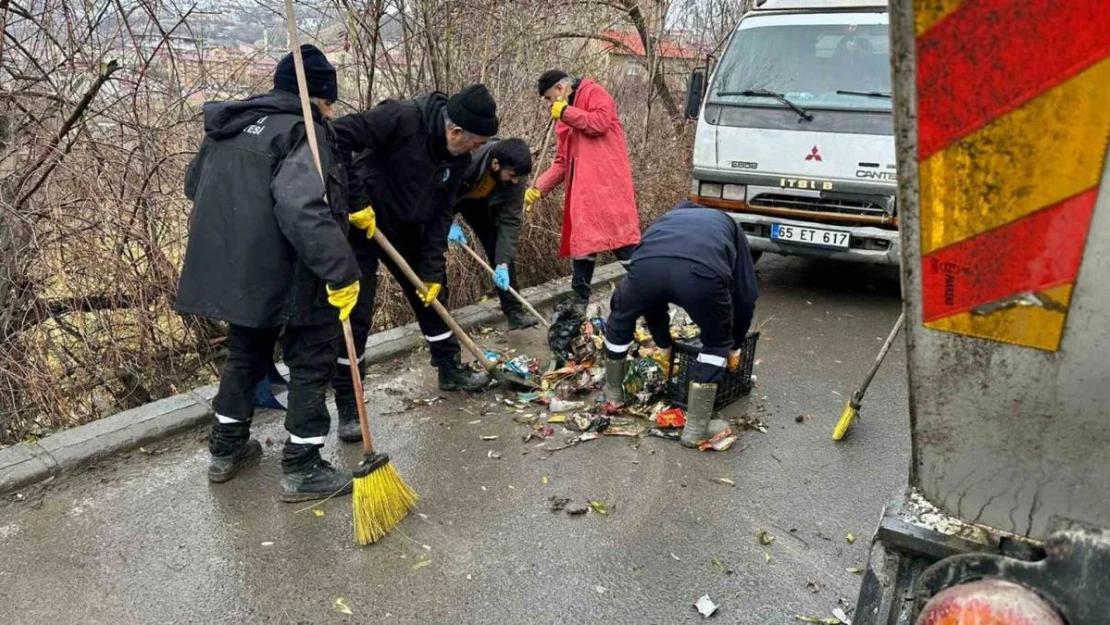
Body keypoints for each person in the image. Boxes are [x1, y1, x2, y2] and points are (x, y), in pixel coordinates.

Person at [175, 45, 362, 500]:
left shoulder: (230, 127)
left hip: (240, 273)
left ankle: (226, 449)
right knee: (311, 361)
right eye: (328, 101)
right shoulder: (304, 134)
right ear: (315, 97)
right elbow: (303, 208)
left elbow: (193, 186)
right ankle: (302, 466)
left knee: (245, 355)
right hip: (291, 271)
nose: (331, 111)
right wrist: (341, 271)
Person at [329, 84, 499, 442]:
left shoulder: (458, 158)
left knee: (432, 296)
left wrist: (433, 268)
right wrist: (356, 200)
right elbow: (337, 136)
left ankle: (449, 367)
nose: (478, 150)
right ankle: (349, 400)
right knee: (357, 313)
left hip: (409, 227)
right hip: (363, 223)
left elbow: (441, 215)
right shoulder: (400, 118)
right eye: (477, 142)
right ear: (455, 131)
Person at [600, 201, 759, 448]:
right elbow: (745, 296)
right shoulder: (728, 223)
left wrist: (664, 344)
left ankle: (612, 396)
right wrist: (734, 344)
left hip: (645, 269)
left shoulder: (668, 218)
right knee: (716, 340)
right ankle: (696, 428)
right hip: (702, 274)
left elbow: (652, 303)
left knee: (621, 316)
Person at [526, 70, 641, 303]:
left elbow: (599, 123)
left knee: (623, 245)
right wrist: (539, 187)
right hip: (583, 196)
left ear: (560, 89)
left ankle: (651, 290)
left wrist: (566, 112)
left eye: (549, 98)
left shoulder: (594, 93)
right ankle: (579, 303)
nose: (550, 104)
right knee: (584, 246)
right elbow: (562, 162)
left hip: (608, 190)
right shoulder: (562, 120)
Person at [448, 137, 537, 330]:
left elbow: (511, 220)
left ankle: (514, 312)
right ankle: (441, 324)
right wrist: (450, 221)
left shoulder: (516, 177)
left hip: (486, 204)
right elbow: (442, 191)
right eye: (512, 175)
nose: (515, 180)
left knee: (500, 249)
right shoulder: (468, 158)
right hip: (455, 196)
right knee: (434, 253)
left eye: (518, 177)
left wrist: (503, 263)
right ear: (496, 164)